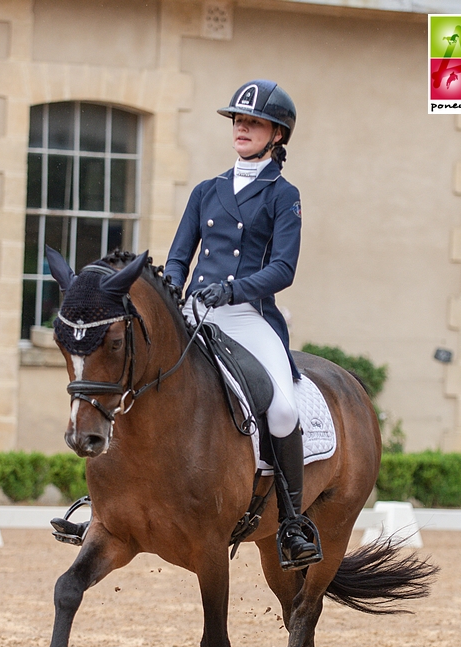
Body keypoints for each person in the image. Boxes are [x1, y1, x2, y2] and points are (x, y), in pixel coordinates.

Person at [164, 79, 321, 570]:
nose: (242, 127)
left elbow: (284, 269)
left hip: (249, 315)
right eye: (238, 119)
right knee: (143, 377)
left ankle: (293, 522)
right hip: (196, 311)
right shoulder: (205, 190)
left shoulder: (283, 195)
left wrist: (233, 290)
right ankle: (111, 501)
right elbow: (177, 257)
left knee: (280, 411)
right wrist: (172, 294)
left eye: (252, 121)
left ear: (278, 134)